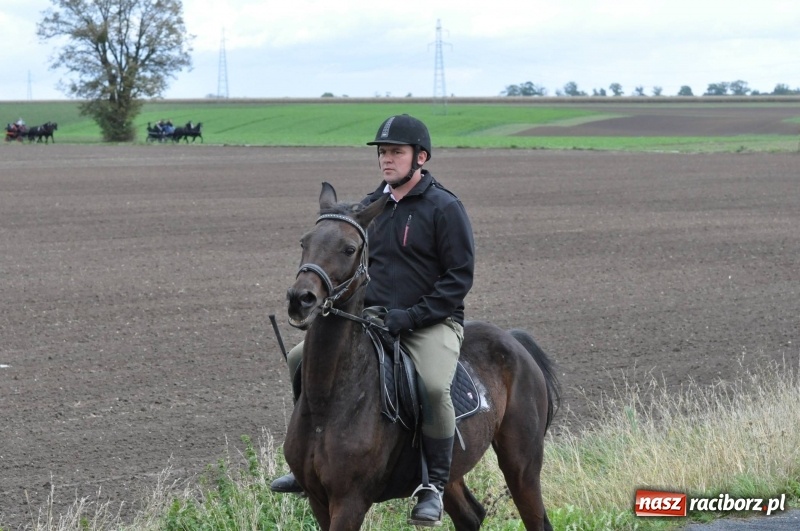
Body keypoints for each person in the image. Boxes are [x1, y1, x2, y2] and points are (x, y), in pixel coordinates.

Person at [270, 114, 475, 526]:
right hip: (373, 319)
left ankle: (433, 484)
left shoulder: (445, 207)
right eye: (382, 152)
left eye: (395, 152)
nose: (386, 159)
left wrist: (414, 316)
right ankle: (306, 461)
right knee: (298, 357)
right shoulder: (368, 208)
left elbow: (459, 278)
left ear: (421, 157)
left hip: (432, 323)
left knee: (434, 387)